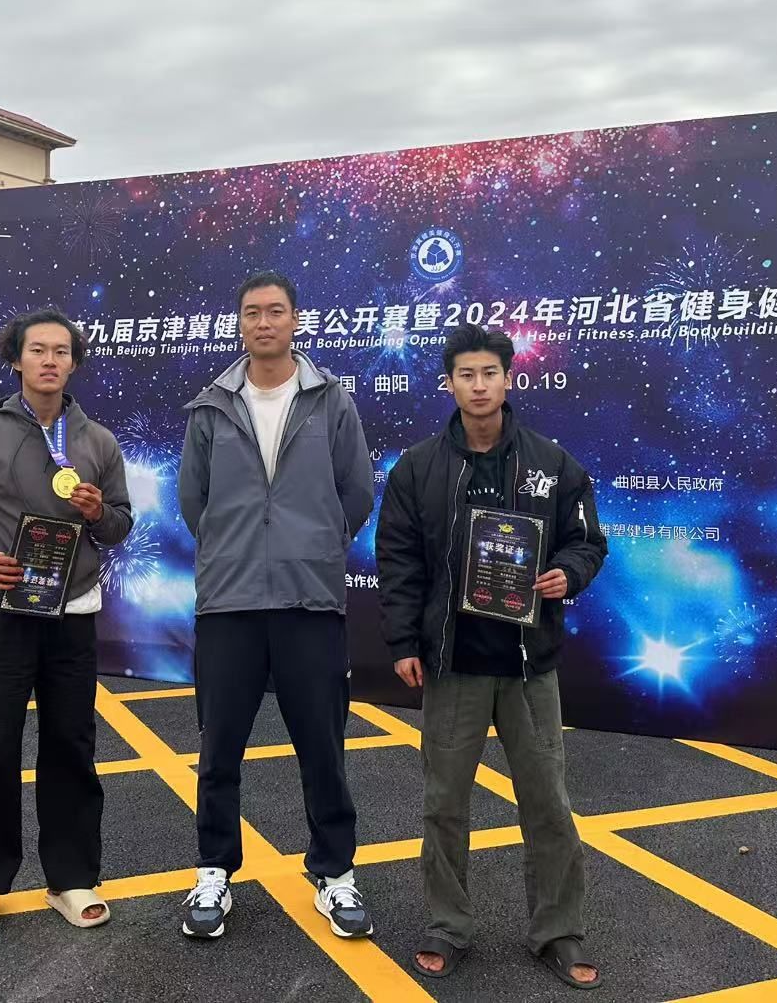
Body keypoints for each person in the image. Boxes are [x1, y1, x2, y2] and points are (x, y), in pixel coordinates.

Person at [376, 323, 607, 989]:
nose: (478, 386)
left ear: (508, 379)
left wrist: (568, 573)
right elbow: (398, 560)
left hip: (529, 665)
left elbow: (587, 541)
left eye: (489, 373)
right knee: (444, 803)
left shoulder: (550, 463)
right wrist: (403, 642)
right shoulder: (419, 467)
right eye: (466, 375)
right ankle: (448, 925)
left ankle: (558, 929)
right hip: (454, 666)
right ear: (449, 383)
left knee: (548, 802)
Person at [176, 271, 377, 940]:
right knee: (218, 750)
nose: (263, 322)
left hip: (308, 600)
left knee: (322, 748)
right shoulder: (211, 407)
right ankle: (213, 870)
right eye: (251, 312)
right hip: (228, 604)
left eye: (275, 311)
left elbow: (356, 492)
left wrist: (312, 544)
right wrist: (233, 548)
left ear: (295, 320)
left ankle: (334, 872)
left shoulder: (331, 401)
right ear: (239, 323)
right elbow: (193, 502)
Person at [0, 307, 134, 943]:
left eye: (61, 351)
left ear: (74, 363)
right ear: (15, 359)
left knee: (71, 744)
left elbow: (120, 526)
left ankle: (71, 878)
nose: (49, 360)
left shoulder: (97, 442)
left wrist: (98, 513)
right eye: (37, 350)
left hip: (71, 615)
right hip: (0, 613)